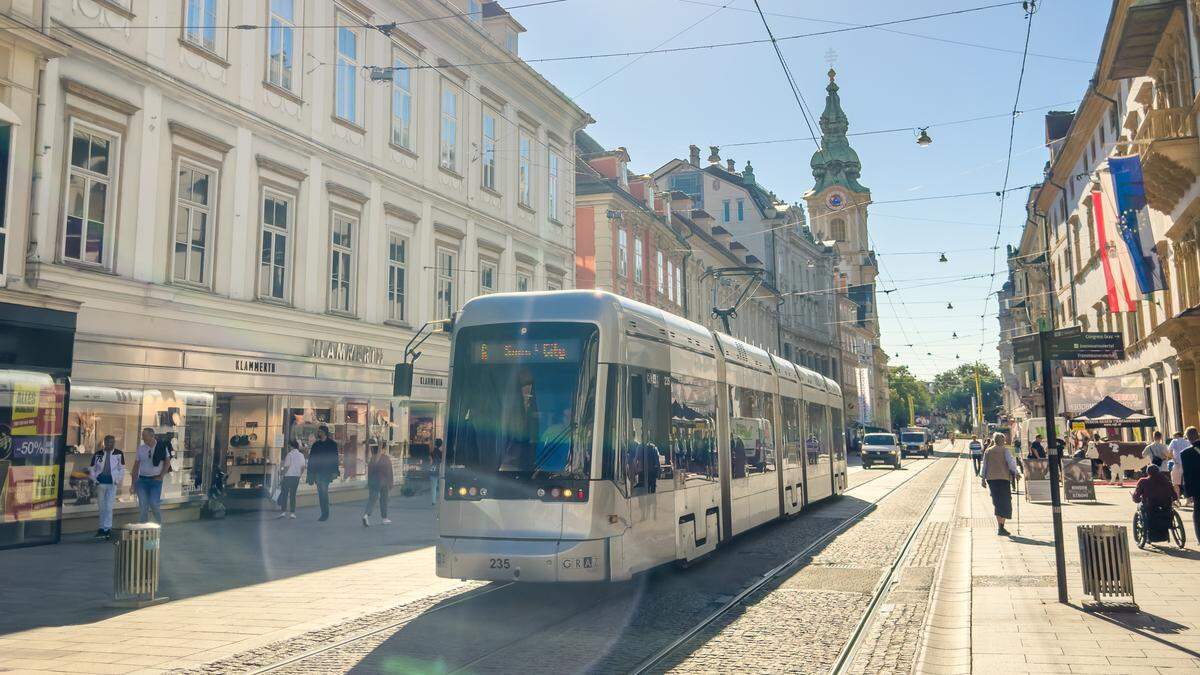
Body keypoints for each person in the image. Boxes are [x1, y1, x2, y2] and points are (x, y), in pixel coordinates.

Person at [981, 432, 1019, 536]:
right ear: (1001, 440)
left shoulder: (988, 451)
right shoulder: (1005, 450)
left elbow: (984, 465)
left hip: (991, 479)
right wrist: (1016, 473)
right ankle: (1001, 527)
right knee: (1005, 501)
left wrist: (983, 479)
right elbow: (1011, 463)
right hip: (1003, 478)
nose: (1005, 441)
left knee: (997, 502)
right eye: (1004, 440)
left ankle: (1000, 527)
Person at [88, 435, 125, 539]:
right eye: (108, 442)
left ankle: (107, 529)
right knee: (102, 507)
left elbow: (121, 469)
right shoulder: (98, 454)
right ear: (104, 442)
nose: (110, 444)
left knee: (109, 507)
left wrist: (117, 480)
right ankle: (101, 528)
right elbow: (92, 468)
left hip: (112, 484)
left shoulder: (119, 454)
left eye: (112, 442)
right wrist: (95, 480)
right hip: (101, 483)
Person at [132, 428, 172, 524]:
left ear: (152, 435)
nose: (143, 437)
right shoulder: (141, 448)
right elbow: (136, 466)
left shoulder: (161, 447)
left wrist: (161, 476)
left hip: (155, 480)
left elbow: (167, 463)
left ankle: (158, 524)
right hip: (142, 480)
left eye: (145, 435)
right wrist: (133, 484)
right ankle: (143, 527)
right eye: (142, 435)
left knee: (154, 503)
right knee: (143, 505)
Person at [307, 426, 340, 521]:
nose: (318, 433)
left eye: (320, 431)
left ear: (324, 432)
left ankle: (325, 514)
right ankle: (323, 513)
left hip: (327, 472)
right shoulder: (316, 445)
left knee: (324, 492)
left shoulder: (332, 444)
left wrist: (335, 471)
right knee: (321, 493)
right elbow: (311, 459)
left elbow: (335, 458)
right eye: (318, 431)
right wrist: (310, 474)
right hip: (317, 472)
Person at [363, 445, 394, 527]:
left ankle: (366, 515)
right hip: (384, 482)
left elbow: (369, 472)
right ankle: (384, 518)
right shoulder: (386, 458)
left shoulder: (372, 459)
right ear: (382, 449)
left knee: (372, 499)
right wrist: (391, 483)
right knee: (384, 500)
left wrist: (369, 482)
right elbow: (389, 472)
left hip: (373, 481)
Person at [276, 440, 305, 519]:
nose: (288, 447)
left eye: (289, 446)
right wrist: (299, 475)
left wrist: (282, 475)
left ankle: (283, 512)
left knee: (284, 494)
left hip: (288, 477)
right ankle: (292, 513)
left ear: (292, 446)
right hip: (296, 477)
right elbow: (303, 467)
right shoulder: (301, 455)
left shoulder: (290, 455)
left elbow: (286, 467)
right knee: (293, 495)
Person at [1181, 427, 1200, 537]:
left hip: (1197, 489)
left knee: (1198, 514)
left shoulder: (1186, 453)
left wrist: (1188, 494)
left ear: (1187, 438)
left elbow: (1187, 475)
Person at [1169, 430, 1191, 500]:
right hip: (1186, 464)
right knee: (1187, 482)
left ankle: (1177, 499)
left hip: (1177, 464)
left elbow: (1169, 451)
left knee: (1175, 483)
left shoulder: (1174, 441)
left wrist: (1174, 459)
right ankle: (1189, 500)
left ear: (1176, 436)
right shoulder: (1187, 441)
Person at [430, 438, 443, 506]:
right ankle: (441, 500)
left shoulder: (432, 452)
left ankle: (433, 501)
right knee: (441, 486)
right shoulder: (441, 453)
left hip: (433, 470)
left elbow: (430, 462)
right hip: (440, 470)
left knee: (433, 487)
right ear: (441, 444)